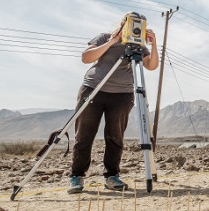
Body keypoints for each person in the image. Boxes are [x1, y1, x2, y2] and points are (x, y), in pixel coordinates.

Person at [67, 12, 159, 194]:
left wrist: (153, 43)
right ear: (122, 23)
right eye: (130, 22)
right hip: (94, 89)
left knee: (115, 136)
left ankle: (112, 176)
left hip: (122, 95)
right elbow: (86, 58)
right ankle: (77, 176)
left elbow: (151, 65)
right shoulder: (104, 37)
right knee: (84, 134)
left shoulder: (139, 45)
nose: (134, 26)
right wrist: (112, 41)